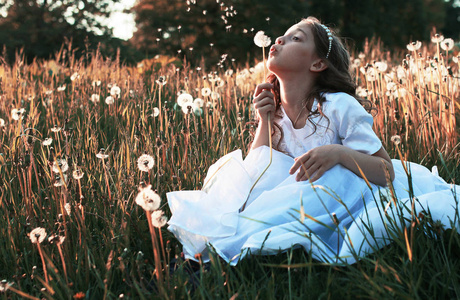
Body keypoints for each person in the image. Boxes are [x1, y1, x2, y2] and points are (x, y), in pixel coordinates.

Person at [167, 17, 459, 266]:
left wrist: (337, 153)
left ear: (318, 63)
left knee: (326, 177)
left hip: (353, 196)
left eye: (295, 38)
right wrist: (265, 120)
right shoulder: (276, 112)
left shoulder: (338, 106)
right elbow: (258, 172)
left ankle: (219, 254)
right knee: (244, 194)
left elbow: (385, 172)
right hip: (305, 197)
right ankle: (205, 255)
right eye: (283, 35)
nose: (280, 39)